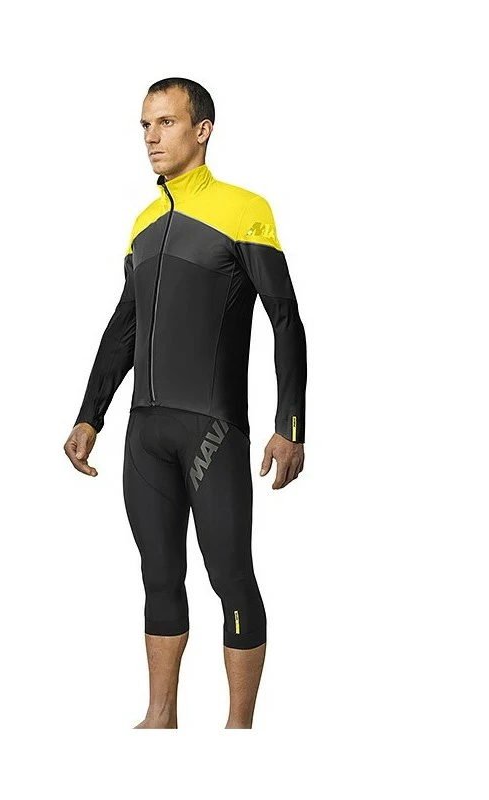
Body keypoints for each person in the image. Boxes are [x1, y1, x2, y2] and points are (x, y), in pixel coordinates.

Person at [63, 77, 307, 729]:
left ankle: (239, 729)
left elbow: (285, 318)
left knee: (230, 575)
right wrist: (90, 414)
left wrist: (290, 425)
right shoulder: (142, 225)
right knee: (159, 575)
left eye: (166, 122)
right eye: (145, 124)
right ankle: (160, 717)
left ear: (202, 130)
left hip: (211, 429)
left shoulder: (243, 208)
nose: (151, 137)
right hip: (145, 432)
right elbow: (124, 328)